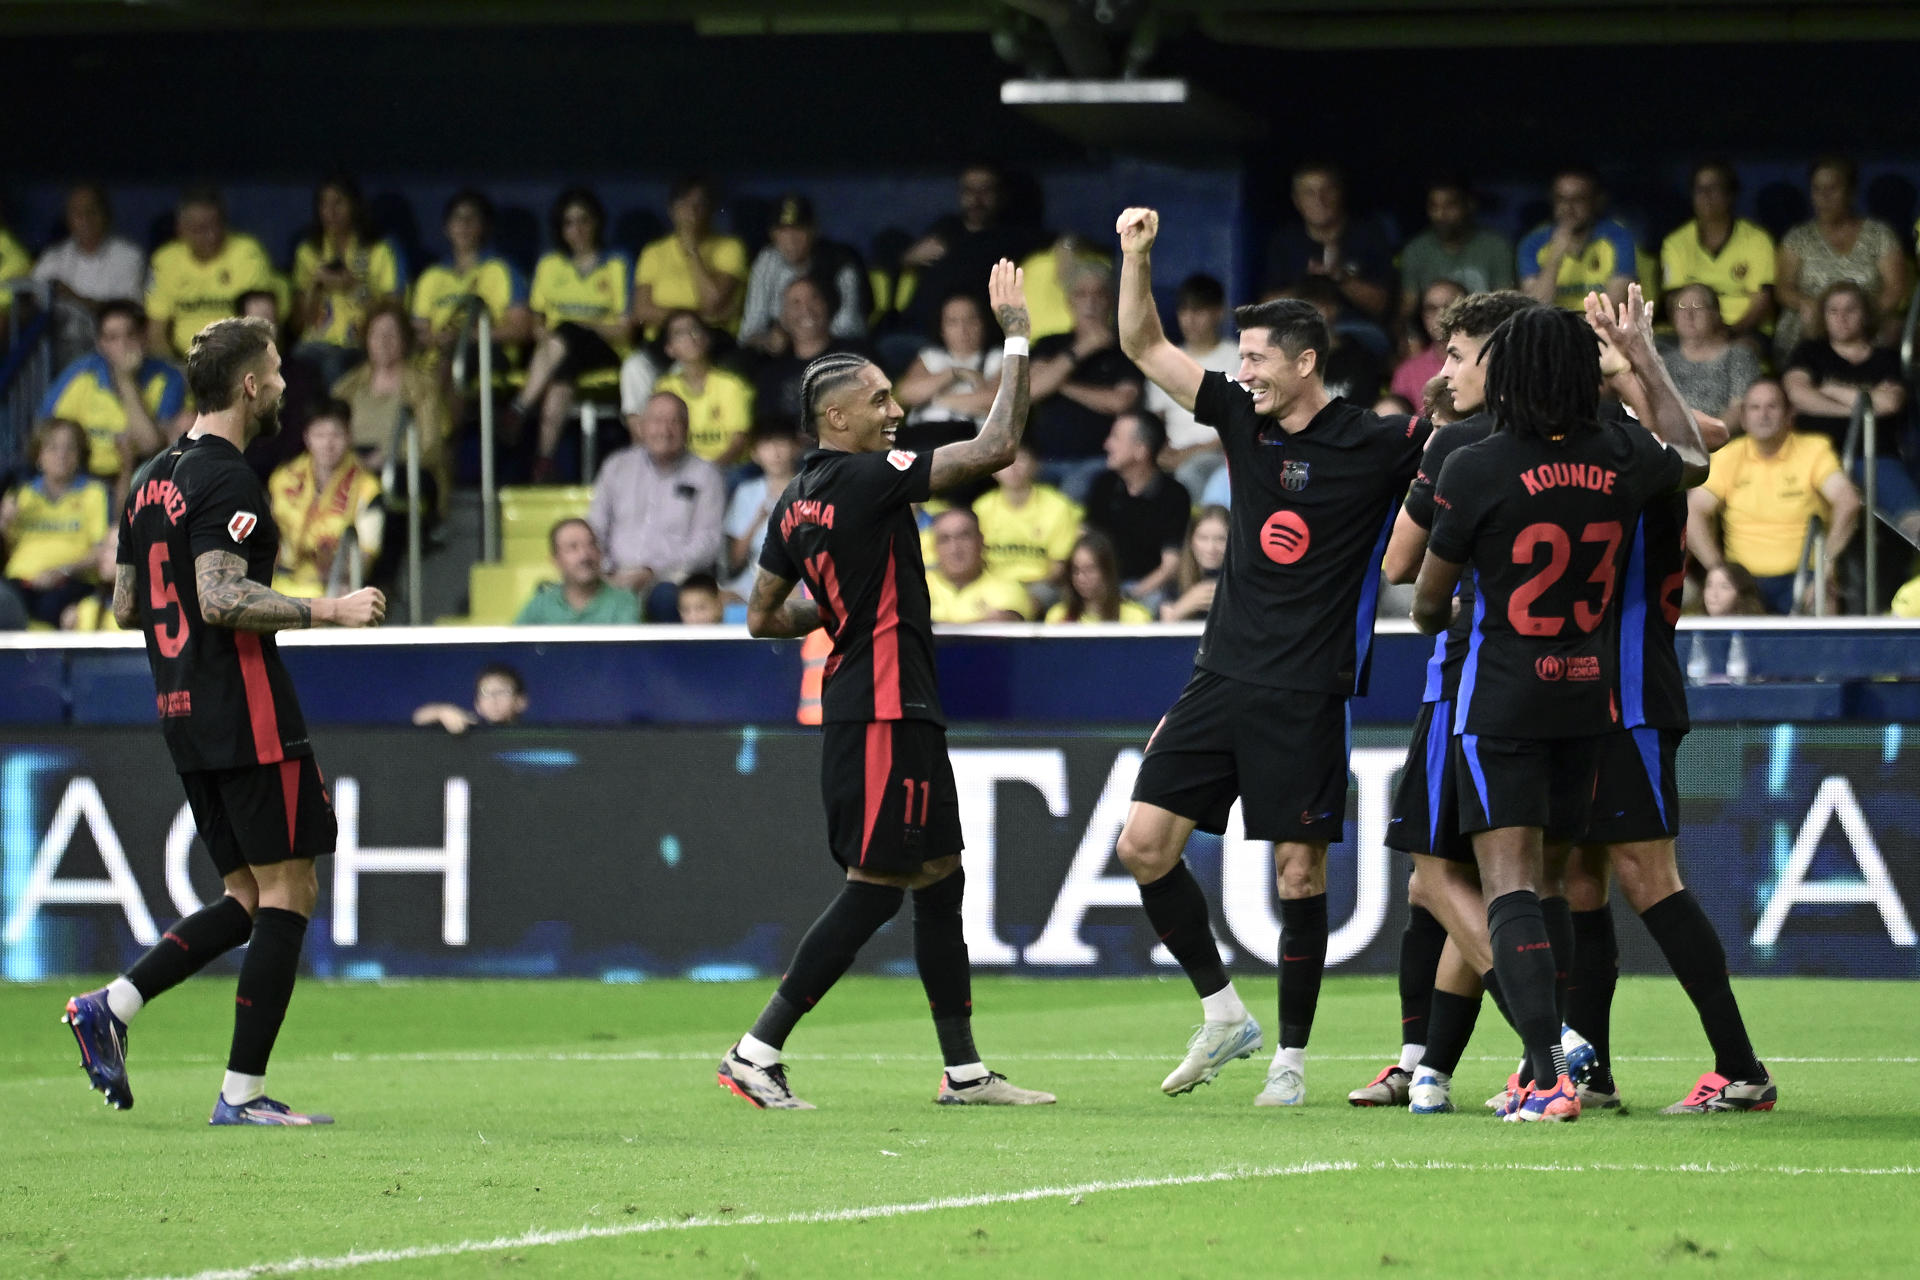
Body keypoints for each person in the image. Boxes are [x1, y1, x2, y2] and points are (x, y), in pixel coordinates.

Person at [1113, 206, 1431, 1106]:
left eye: (1254, 357)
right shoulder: (1238, 418)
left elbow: (1469, 461)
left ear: (1304, 363)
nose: (1239, 369)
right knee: (1143, 847)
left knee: (1299, 873)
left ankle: (1290, 1059)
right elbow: (1142, 343)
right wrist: (1138, 256)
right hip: (1220, 676)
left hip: (1305, 690)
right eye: (1239, 357)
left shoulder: (1377, 441)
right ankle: (1224, 1014)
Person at [717, 259, 1052, 1109]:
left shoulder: (793, 501)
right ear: (837, 417)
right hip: (882, 707)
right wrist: (1015, 340)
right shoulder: (868, 477)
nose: (894, 409)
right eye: (878, 400)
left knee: (941, 874)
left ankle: (965, 1072)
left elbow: (761, 615)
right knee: (878, 884)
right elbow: (998, 447)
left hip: (890, 702)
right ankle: (756, 1049)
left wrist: (835, 603)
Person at [62, 315, 385, 1125]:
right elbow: (217, 595)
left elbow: (127, 601)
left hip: (180, 709)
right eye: (275, 372)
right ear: (248, 385)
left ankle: (115, 1004)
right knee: (291, 889)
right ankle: (241, 1095)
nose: (282, 383)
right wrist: (328, 608)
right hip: (246, 711)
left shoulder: (145, 479)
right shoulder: (230, 478)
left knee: (246, 893)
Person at [1409, 295, 1711, 1124]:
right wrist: (1643, 358)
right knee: (1557, 883)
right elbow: (1693, 455)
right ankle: (1562, 1066)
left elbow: (1426, 605)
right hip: (1589, 696)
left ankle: (1545, 1078)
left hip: (1501, 695)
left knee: (1509, 885)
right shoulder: (1623, 455)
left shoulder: (1473, 464)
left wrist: (1467, 606)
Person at [1561, 291, 1775, 1117]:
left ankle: (1741, 1065)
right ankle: (1592, 1070)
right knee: (1581, 878)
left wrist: (1637, 358)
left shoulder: (1637, 451)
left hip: (1629, 689)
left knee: (1650, 877)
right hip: (1581, 693)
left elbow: (1704, 441)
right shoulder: (1604, 447)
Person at [1361, 289, 1542, 1113]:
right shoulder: (1579, 434)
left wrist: (1435, 441)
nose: (1444, 371)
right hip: (1565, 681)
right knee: (1478, 880)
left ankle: (1554, 1046)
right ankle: (1425, 1067)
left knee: (1436, 878)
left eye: (1460, 355)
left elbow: (1401, 565)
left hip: (1466, 679)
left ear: (1497, 361)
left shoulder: (1462, 443)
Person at [1689, 378, 1860, 615]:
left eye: (1772, 406)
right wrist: (1718, 569)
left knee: (1824, 598)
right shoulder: (1729, 456)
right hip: (1744, 581)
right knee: (1720, 597)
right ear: (1744, 418)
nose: (1763, 415)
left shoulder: (1813, 449)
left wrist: (1826, 566)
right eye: (1755, 408)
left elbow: (1847, 500)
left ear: (1790, 414)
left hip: (1805, 575)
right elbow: (1694, 510)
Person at [517, 187, 632, 480]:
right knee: (561, 374)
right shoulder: (549, 265)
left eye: (584, 220)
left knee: (567, 329)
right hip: (559, 353)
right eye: (569, 223)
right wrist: (558, 339)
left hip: (606, 350)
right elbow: (536, 324)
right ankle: (543, 460)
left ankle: (519, 407)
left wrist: (582, 327)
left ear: (597, 223)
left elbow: (624, 327)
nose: (577, 229)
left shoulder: (617, 263)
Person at [587, 391, 725, 621]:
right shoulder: (616, 467)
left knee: (665, 597)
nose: (665, 430)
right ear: (641, 426)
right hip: (613, 575)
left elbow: (707, 543)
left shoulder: (706, 474)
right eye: (657, 421)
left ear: (687, 428)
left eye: (674, 421)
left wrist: (652, 571)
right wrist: (607, 570)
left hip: (671, 579)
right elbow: (595, 526)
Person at [39, 299, 191, 503]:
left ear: (144, 338)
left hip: (142, 477)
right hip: (82, 478)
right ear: (100, 344)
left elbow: (150, 445)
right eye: (112, 338)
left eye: (130, 335)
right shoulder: (81, 373)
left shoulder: (167, 377)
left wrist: (125, 380)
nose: (123, 345)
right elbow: (46, 432)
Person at [1773, 156, 1908, 358]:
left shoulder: (1879, 235)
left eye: (1832, 189)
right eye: (1817, 190)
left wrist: (1860, 317)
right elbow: (1783, 288)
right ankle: (1803, 383)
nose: (1824, 197)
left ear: (1851, 193)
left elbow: (1896, 288)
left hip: (1867, 321)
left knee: (1893, 329)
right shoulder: (1798, 238)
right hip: (1814, 321)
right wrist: (1809, 306)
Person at [1028, 262, 1142, 500]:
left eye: (1099, 294)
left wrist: (1058, 381)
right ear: (1070, 301)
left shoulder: (1124, 348)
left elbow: (1120, 402)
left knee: (1074, 491)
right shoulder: (1049, 344)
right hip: (1043, 460)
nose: (1090, 301)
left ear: (1110, 301)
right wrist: (1082, 349)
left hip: (1099, 460)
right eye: (1081, 294)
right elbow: (1032, 390)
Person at [330, 301, 450, 512]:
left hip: (405, 472)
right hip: (352, 469)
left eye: (391, 335)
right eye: (376, 334)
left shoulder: (424, 387)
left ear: (405, 341)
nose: (383, 342)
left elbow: (431, 448)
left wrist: (386, 457)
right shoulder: (346, 387)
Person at [292, 174, 406, 389]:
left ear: (354, 206)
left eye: (338, 203)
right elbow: (299, 323)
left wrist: (353, 287)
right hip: (315, 343)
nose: (330, 212)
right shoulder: (309, 250)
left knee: (334, 365)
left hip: (360, 343)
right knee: (292, 364)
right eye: (324, 204)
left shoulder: (378, 249)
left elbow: (395, 312)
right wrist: (315, 287)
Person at [145, 189, 284, 361]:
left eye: (216, 225)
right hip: (183, 364)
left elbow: (260, 328)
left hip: (236, 363)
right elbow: (156, 332)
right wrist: (174, 371)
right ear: (181, 230)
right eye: (200, 229)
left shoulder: (248, 253)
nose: (211, 236)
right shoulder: (164, 260)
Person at [266, 401, 383, 599]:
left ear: (349, 436)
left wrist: (337, 572)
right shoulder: (282, 479)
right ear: (307, 438)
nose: (328, 444)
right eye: (319, 435)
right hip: (281, 581)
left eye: (336, 435)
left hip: (336, 585)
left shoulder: (367, 488)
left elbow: (366, 555)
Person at [2, 418, 111, 628]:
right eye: (52, 447)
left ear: (79, 456)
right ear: (39, 456)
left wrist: (62, 571)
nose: (61, 455)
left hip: (70, 584)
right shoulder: (21, 495)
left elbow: (102, 550)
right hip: (19, 584)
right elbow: (8, 550)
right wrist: (4, 525)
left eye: (70, 448)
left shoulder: (94, 493)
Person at [1781, 281, 1907, 459]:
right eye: (1833, 311)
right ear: (1824, 317)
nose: (1841, 317)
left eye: (1851, 310)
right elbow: (1798, 395)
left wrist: (1831, 390)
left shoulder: (1887, 357)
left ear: (1865, 315)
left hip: (1877, 454)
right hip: (1813, 456)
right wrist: (1863, 409)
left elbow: (1890, 403)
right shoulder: (1808, 351)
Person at [1262, 162, 1395, 326]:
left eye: (1327, 190)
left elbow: (1381, 306)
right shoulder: (1285, 241)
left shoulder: (1368, 235)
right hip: (1299, 331)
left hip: (1356, 331)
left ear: (1340, 193)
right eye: (1309, 193)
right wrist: (1307, 284)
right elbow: (1267, 308)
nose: (1320, 199)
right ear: (1297, 201)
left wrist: (1340, 277)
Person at [1659, 162, 1775, 345]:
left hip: (1744, 331)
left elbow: (1761, 302)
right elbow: (1674, 300)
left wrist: (1728, 333)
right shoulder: (1676, 242)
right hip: (1690, 332)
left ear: (1730, 195)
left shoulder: (1757, 240)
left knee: (1740, 354)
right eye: (1700, 189)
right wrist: (1694, 333)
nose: (1706, 196)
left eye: (1714, 188)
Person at [33, 183, 148, 364]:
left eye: (92, 211)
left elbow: (130, 310)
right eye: (77, 213)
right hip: (59, 356)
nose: (85, 218)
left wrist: (74, 297)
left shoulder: (129, 256)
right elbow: (31, 301)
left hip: (114, 354)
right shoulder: (52, 258)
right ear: (68, 219)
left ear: (106, 215)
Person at [1083, 410, 1189, 607]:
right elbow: (1088, 544)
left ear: (1141, 450)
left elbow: (1170, 565)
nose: (1107, 444)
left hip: (1149, 590)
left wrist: (1131, 595)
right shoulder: (1102, 485)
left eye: (1115, 437)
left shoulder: (1174, 495)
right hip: (1103, 588)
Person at [409, 189, 534, 355]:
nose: (463, 224)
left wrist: (469, 337)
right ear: (446, 227)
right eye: (457, 218)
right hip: (435, 366)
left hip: (488, 363)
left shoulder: (503, 270)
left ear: (484, 226)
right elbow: (418, 333)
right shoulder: (431, 276)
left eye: (471, 218)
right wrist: (440, 339)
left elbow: (521, 329)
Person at [1148, 274, 1239, 499]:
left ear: (1219, 312)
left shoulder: (1239, 359)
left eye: (1199, 311)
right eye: (1184, 311)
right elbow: (1155, 421)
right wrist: (1158, 449)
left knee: (1190, 474)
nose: (1190, 319)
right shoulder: (1165, 361)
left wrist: (1189, 453)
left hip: (1218, 455)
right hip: (1171, 455)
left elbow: (1240, 425)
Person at [739, 193, 867, 350]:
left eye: (798, 230)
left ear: (814, 231)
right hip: (784, 354)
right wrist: (769, 341)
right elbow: (749, 332)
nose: (791, 240)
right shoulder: (767, 260)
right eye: (783, 231)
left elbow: (848, 329)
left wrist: (794, 334)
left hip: (835, 351)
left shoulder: (840, 263)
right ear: (773, 234)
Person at [631, 175, 748, 340]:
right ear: (671, 211)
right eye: (683, 204)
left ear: (710, 210)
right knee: (635, 365)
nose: (691, 212)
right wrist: (700, 317)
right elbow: (641, 312)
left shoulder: (730, 247)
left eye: (699, 205)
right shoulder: (653, 251)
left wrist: (692, 251)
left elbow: (713, 303)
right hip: (664, 340)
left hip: (712, 339)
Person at [970, 439, 1079, 614]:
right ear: (993, 470)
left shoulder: (1058, 506)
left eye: (1020, 459)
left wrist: (1018, 594)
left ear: (1035, 465)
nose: (1012, 466)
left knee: (1024, 605)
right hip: (993, 584)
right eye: (1005, 460)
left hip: (1041, 586)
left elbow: (1058, 568)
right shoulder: (981, 508)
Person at [750, 276, 869, 432]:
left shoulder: (856, 356)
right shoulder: (772, 374)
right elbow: (768, 431)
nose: (806, 309)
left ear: (828, 306)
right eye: (795, 303)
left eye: (814, 299)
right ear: (784, 316)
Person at [893, 293, 1004, 451]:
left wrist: (935, 399)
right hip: (922, 438)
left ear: (984, 323)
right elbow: (906, 394)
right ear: (942, 329)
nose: (963, 330)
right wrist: (955, 373)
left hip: (969, 441)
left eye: (971, 320)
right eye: (953, 322)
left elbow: (995, 401)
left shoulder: (998, 357)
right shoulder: (930, 356)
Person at [1517, 168, 1637, 311]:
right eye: (1561, 199)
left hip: (1598, 329)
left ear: (1597, 201)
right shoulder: (1532, 244)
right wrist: (1555, 256)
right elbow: (1534, 307)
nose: (1568, 208)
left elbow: (1616, 305)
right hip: (1552, 329)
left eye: (1578, 199)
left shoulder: (1618, 238)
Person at [654, 311, 755, 465]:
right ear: (669, 349)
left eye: (694, 330)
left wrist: (708, 473)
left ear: (706, 339)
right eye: (680, 333)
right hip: (681, 470)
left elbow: (739, 441)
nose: (689, 337)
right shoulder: (665, 387)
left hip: (728, 469)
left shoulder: (732, 385)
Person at [1398, 177, 1516, 309]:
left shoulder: (1496, 247)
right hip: (1431, 328)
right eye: (1434, 206)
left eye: (1450, 205)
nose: (1440, 214)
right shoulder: (1415, 250)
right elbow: (1408, 307)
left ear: (1470, 205)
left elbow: (1505, 304)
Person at [1657, 283, 1761, 433]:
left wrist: (1705, 439)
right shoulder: (1663, 362)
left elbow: (1739, 409)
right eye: (1681, 307)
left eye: (1698, 307)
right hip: (1670, 446)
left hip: (1721, 446)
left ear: (1715, 314)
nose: (1689, 315)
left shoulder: (1738, 357)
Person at [722, 421, 804, 599]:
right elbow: (735, 560)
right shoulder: (746, 492)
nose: (775, 452)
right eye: (767, 444)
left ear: (796, 447)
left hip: (799, 578)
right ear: (755, 454)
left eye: (781, 442)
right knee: (722, 600)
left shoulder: (813, 489)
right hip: (755, 575)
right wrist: (757, 521)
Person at [514, 516, 640, 625]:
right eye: (573, 547)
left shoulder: (624, 602)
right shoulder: (541, 605)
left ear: (600, 553)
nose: (585, 555)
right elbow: (513, 646)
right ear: (556, 561)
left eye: (591, 545)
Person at [925, 506, 1031, 622]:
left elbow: (1000, 628)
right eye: (944, 540)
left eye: (964, 536)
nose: (955, 549)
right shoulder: (913, 586)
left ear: (980, 540)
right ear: (934, 547)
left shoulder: (1008, 587)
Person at [1390, 279, 1468, 408]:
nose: (1440, 314)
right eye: (1431, 309)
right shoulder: (1407, 373)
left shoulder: (1482, 365)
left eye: (1449, 306)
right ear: (1422, 316)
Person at [1046, 530, 1151, 623]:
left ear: (1106, 571)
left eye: (1089, 570)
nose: (1081, 578)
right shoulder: (1058, 617)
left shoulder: (1136, 618)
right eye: (1076, 570)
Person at [1159, 504, 1229, 622]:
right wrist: (1183, 607)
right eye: (1203, 538)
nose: (1211, 548)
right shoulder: (1174, 583)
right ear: (1191, 541)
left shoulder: (1245, 581)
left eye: (1220, 539)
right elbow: (1157, 633)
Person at [413, 663, 528, 733]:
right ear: (477, 704)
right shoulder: (471, 729)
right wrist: (441, 712)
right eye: (486, 692)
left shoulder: (529, 736)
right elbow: (419, 718)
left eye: (502, 691)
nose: (493, 699)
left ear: (520, 701)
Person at [1700, 563, 1766, 617]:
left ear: (1741, 593)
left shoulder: (1755, 628)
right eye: (1709, 585)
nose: (1713, 593)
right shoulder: (1694, 626)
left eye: (1724, 586)